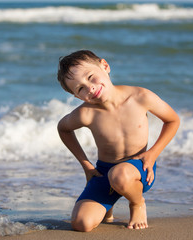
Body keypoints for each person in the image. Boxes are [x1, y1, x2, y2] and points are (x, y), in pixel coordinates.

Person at [57, 50, 180, 232]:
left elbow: (173, 120)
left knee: (119, 175)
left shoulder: (140, 97)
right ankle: (109, 205)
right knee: (81, 224)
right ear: (77, 96)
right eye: (80, 88)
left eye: (91, 77)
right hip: (104, 173)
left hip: (139, 168)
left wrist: (153, 154)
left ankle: (137, 203)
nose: (89, 88)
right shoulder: (86, 113)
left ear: (105, 66)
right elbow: (63, 128)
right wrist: (87, 166)